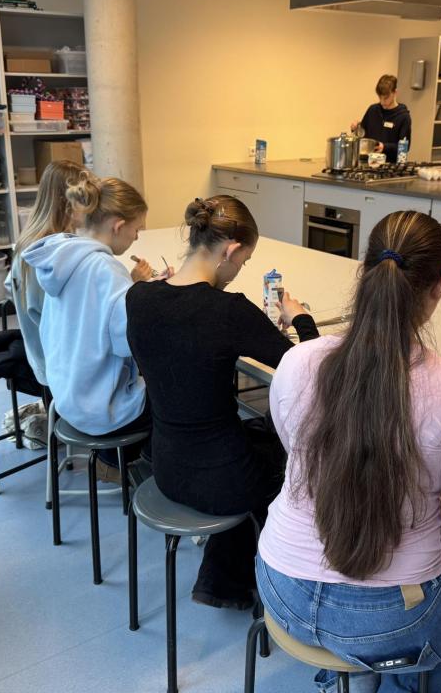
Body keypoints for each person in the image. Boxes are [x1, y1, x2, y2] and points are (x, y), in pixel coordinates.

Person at [256, 210, 441, 693]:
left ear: (363, 271)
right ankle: (406, 678)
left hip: (281, 588)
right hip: (393, 620)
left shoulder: (297, 362)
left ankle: (353, 671)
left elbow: (296, 452)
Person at [125, 196, 318, 610]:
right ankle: (271, 585)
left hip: (167, 467)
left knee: (252, 436)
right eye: (243, 262)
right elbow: (310, 370)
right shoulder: (228, 310)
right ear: (230, 250)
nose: (238, 271)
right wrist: (300, 318)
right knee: (293, 457)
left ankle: (221, 581)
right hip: (225, 481)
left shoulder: (138, 298)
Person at [22, 172, 161, 478]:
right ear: (118, 226)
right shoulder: (106, 269)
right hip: (101, 410)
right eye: (137, 229)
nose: (137, 237)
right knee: (178, 393)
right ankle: (144, 473)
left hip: (67, 399)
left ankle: (115, 462)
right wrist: (149, 297)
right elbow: (131, 342)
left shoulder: (62, 258)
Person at [5, 159, 85, 387]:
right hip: (60, 365)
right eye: (87, 199)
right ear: (68, 202)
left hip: (41, 355)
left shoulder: (30, 242)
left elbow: (9, 287)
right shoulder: (51, 253)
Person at [351, 74, 412, 163]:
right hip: (368, 164)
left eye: (386, 98)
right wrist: (356, 127)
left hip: (390, 165)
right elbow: (362, 135)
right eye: (380, 98)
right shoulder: (372, 110)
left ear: (395, 93)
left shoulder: (403, 117)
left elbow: (404, 148)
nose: (382, 102)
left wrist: (385, 147)